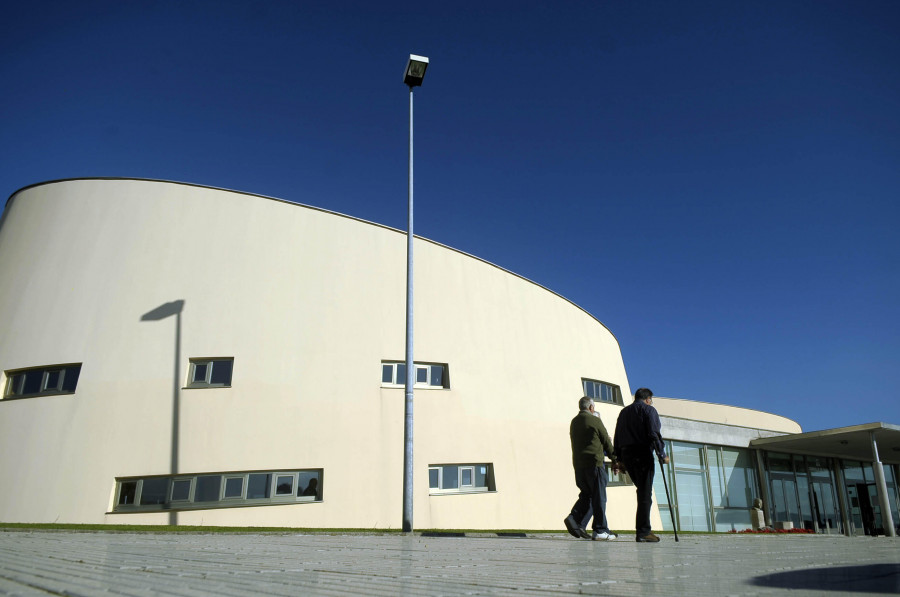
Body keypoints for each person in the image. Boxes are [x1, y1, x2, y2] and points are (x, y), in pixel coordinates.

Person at [614, 387, 669, 542]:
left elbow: (617, 436)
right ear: (647, 399)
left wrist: (619, 459)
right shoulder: (649, 410)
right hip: (642, 453)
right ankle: (643, 531)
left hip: (627, 454)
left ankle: (643, 530)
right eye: (651, 399)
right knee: (645, 493)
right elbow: (653, 433)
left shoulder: (624, 412)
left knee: (642, 491)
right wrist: (662, 454)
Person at [563, 396, 618, 541]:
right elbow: (606, 441)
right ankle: (600, 529)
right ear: (591, 407)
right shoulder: (595, 420)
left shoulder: (574, 422)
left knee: (587, 495)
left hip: (579, 465)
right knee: (599, 497)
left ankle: (574, 518)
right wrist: (615, 459)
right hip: (595, 464)